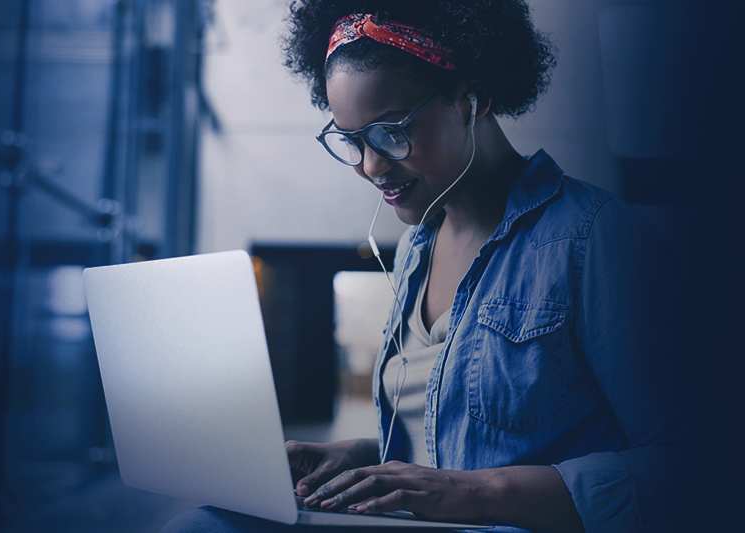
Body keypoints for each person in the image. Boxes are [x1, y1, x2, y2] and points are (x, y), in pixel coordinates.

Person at [162, 1, 726, 532]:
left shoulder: (597, 240)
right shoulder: (415, 250)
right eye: (351, 140)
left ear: (470, 96)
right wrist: (359, 459)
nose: (370, 165)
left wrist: (482, 494)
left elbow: (697, 468)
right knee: (201, 523)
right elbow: (443, 434)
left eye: (390, 132)